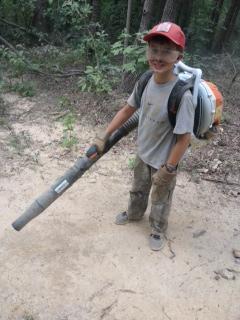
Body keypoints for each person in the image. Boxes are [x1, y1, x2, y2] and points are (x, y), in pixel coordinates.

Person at [92, 22, 195, 251]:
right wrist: (104, 136)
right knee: (138, 188)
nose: (158, 57)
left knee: (160, 198)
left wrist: (168, 169)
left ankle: (158, 229)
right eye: (154, 50)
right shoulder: (146, 80)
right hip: (143, 152)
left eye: (167, 51)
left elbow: (184, 138)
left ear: (179, 56)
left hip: (164, 161)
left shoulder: (182, 96)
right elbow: (127, 110)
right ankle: (134, 213)